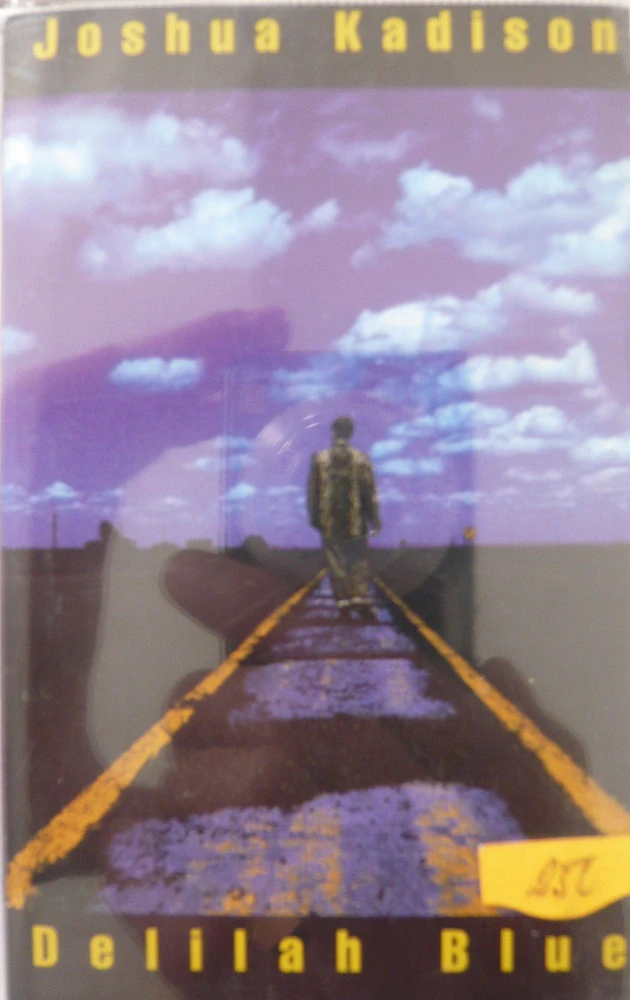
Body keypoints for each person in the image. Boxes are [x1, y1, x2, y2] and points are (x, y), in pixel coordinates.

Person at [307, 417, 381, 609]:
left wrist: (313, 517)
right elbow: (369, 492)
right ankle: (357, 594)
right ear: (350, 433)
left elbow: (313, 492)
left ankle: (342, 597)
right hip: (356, 519)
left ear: (333, 432)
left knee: (335, 558)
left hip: (328, 519)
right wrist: (374, 519)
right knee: (357, 557)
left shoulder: (320, 458)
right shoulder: (361, 458)